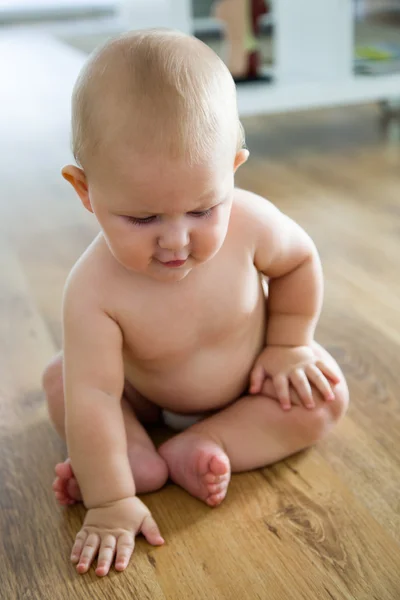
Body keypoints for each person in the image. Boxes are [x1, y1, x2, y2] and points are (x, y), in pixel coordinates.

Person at [42, 28, 349, 578]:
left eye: (204, 209)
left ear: (232, 167)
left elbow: (299, 262)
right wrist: (109, 501)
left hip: (252, 379)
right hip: (144, 389)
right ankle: (130, 457)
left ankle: (207, 442)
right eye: (142, 218)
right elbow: (95, 395)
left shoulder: (253, 223)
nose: (177, 241)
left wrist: (289, 344)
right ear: (85, 191)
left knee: (325, 394)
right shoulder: (93, 289)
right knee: (64, 383)